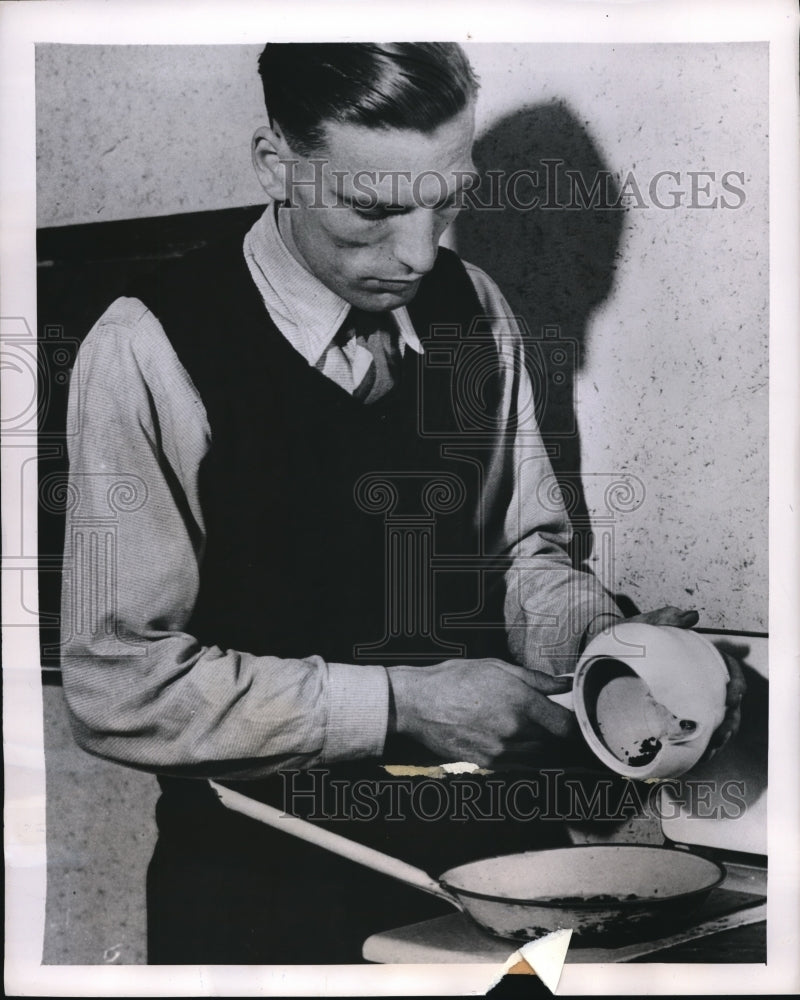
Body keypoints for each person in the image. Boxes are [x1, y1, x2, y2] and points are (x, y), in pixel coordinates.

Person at [59, 42, 743, 964]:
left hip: (495, 876)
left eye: (444, 203)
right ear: (278, 167)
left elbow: (520, 559)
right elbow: (116, 686)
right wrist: (400, 705)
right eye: (372, 210)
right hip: (260, 901)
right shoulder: (147, 344)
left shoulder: (476, 308)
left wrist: (597, 647)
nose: (418, 254)